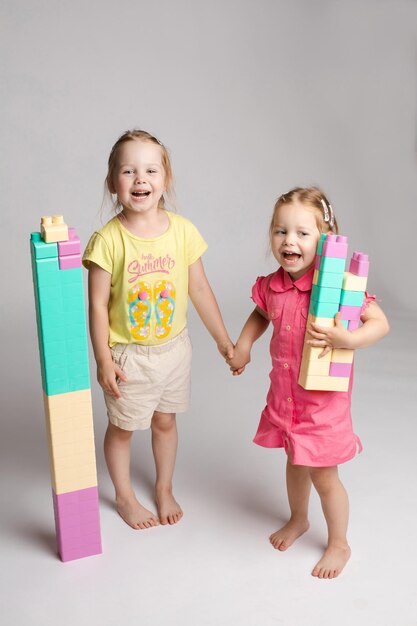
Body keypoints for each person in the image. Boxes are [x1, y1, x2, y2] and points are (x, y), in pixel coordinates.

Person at [226, 187, 389, 579]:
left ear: (325, 237)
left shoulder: (337, 288)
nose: (289, 241)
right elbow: (260, 314)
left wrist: (348, 339)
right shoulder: (272, 285)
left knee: (324, 475)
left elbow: (379, 323)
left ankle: (339, 543)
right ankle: (299, 518)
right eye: (281, 232)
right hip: (286, 398)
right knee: (293, 462)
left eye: (302, 233)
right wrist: (244, 344)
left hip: (322, 405)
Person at [83, 129, 233, 530]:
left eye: (150, 170)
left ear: (166, 179)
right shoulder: (107, 241)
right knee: (123, 427)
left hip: (175, 349)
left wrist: (223, 341)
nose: (140, 179)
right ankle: (125, 495)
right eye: (128, 171)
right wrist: (102, 359)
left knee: (166, 422)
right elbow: (97, 305)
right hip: (129, 357)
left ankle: (164, 486)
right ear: (113, 183)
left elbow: (199, 288)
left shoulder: (183, 231)